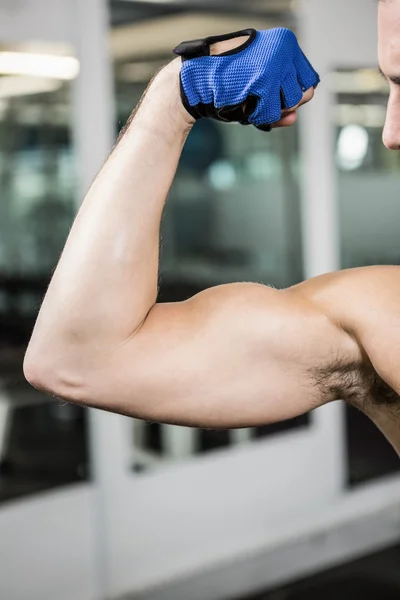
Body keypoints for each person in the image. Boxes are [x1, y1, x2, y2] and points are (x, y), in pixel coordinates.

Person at [23, 3, 400, 458]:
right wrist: (175, 99)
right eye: (390, 88)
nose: (391, 134)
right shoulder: (380, 314)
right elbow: (77, 360)